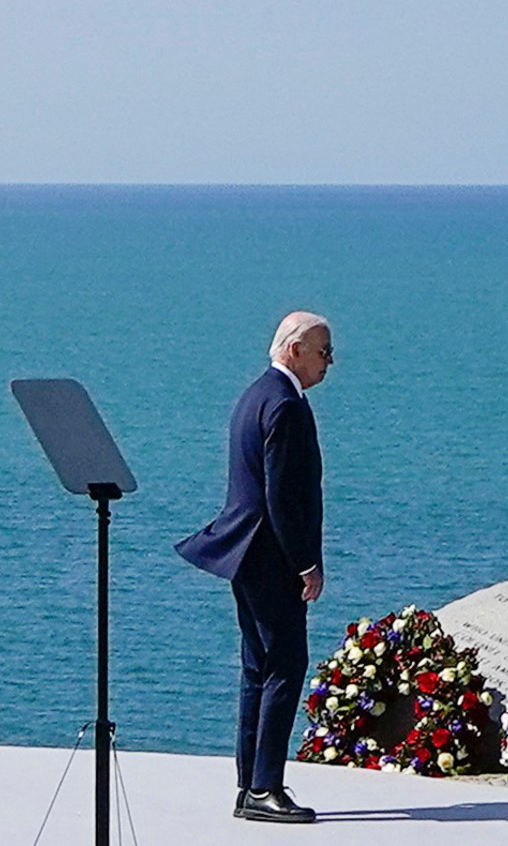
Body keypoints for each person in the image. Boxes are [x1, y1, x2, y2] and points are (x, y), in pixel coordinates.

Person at [175, 311, 332, 825]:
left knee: (258, 668)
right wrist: (306, 562)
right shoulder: (285, 405)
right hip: (271, 558)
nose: (329, 362)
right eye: (323, 351)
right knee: (285, 666)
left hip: (245, 554)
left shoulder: (255, 395)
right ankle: (265, 787)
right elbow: (284, 498)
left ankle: (251, 784)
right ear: (294, 350)